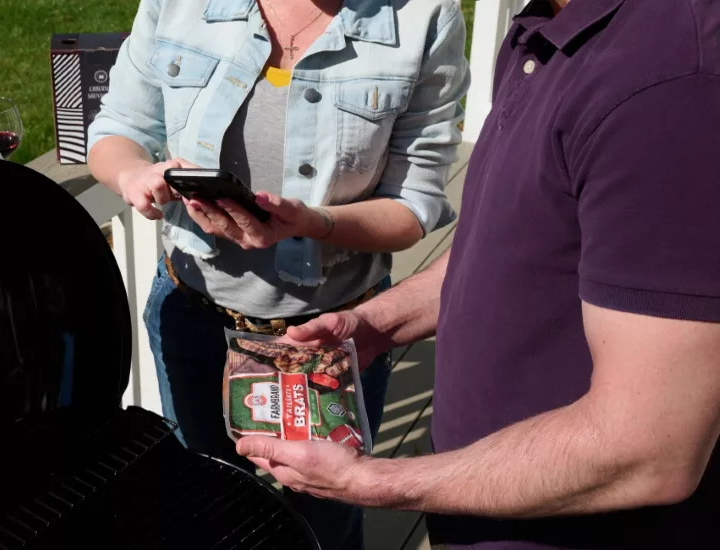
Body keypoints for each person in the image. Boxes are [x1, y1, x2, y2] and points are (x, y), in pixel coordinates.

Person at [235, 0, 720, 548]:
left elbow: (650, 449)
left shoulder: (671, 83)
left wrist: (369, 481)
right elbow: (510, 248)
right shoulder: (547, 25)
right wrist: (377, 323)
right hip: (488, 498)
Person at [87, 0, 470, 547]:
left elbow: (412, 206)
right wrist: (134, 174)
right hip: (194, 316)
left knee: (323, 526)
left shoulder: (422, 16)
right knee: (207, 513)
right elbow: (117, 129)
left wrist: (316, 223)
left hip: (328, 336)